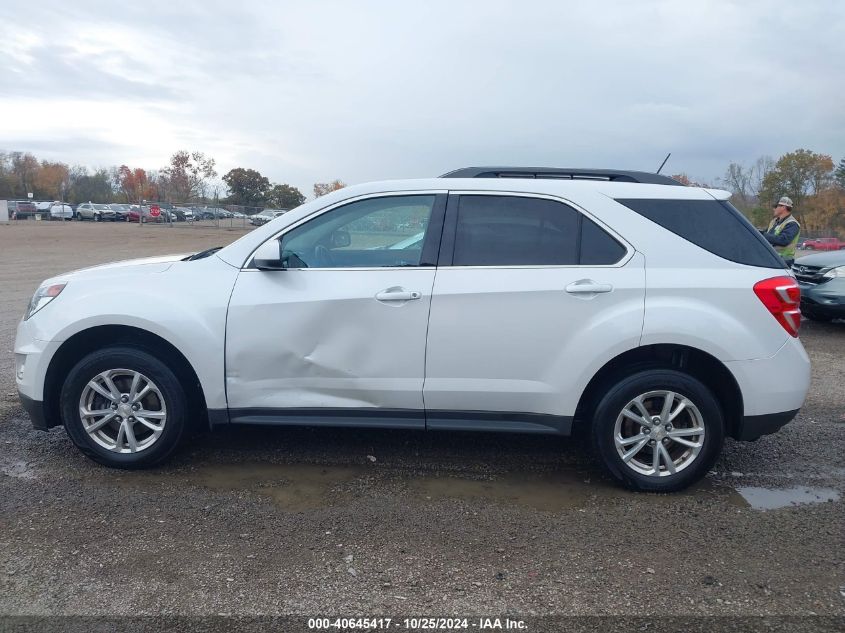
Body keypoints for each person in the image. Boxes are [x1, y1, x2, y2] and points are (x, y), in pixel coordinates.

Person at [761, 196, 800, 266]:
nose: (774, 209)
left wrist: (763, 234)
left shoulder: (792, 224)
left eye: (776, 206)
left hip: (783, 262)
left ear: (783, 207)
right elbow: (766, 234)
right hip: (772, 258)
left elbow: (783, 240)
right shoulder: (774, 222)